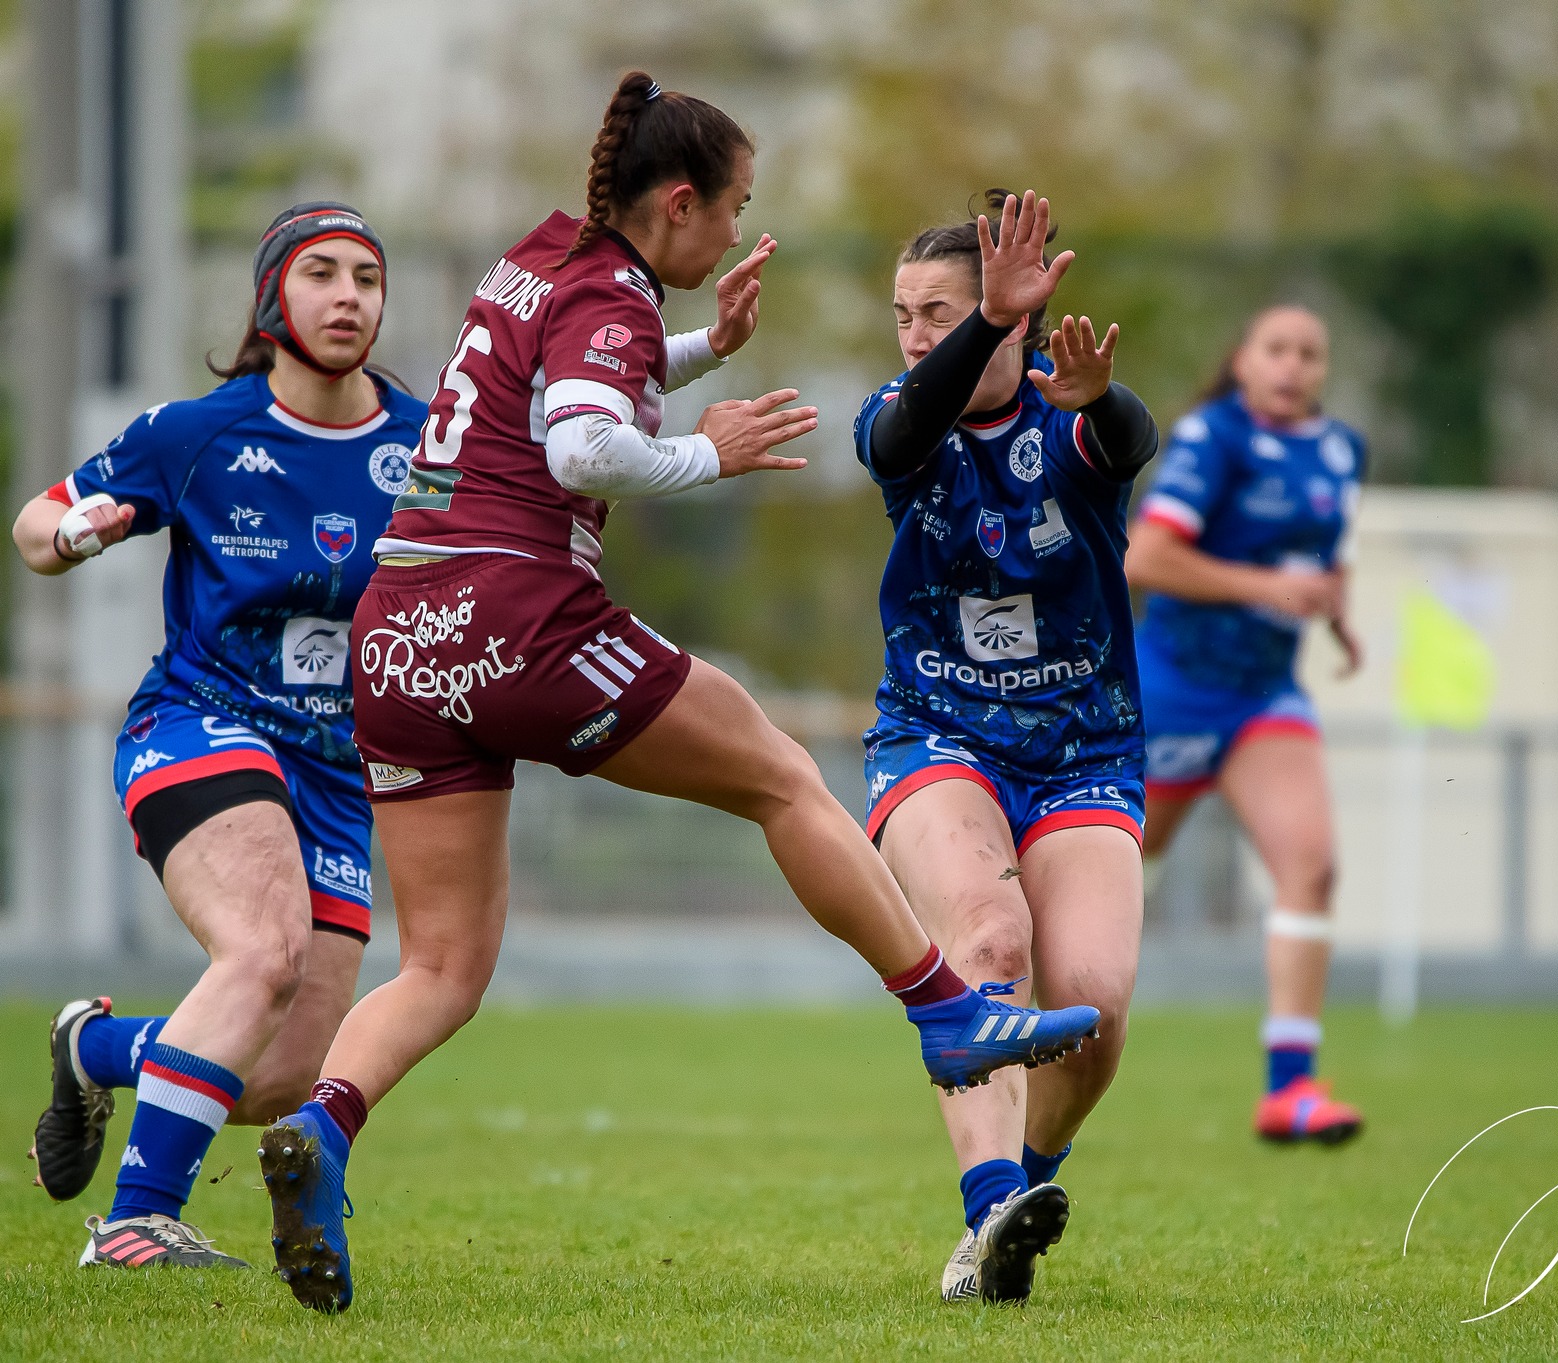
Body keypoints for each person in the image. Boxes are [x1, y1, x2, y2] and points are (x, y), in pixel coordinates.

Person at [255, 76, 1099, 1315]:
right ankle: (946, 1014)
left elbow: (555, 381)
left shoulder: (538, 258)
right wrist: (716, 448)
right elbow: (578, 445)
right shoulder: (609, 289)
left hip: (398, 634)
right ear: (679, 202)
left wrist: (704, 351)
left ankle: (322, 1129)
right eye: (736, 206)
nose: (736, 228)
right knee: (781, 777)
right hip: (516, 612)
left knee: (440, 962)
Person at [15, 203, 428, 1267]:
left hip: (338, 772)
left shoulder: (427, 445)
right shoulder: (195, 435)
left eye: (367, 279)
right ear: (271, 299)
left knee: (288, 1068)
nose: (348, 296)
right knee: (262, 949)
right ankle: (137, 1221)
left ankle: (94, 1047)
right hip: (202, 725)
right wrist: (76, 532)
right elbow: (33, 525)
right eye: (322, 273)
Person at [855, 190, 1160, 1305]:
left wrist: (1104, 395)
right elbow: (901, 432)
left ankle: (1025, 1187)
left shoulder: (1065, 423)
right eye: (907, 311)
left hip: (1083, 750)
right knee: (988, 940)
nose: (917, 333)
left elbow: (1130, 439)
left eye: (940, 310)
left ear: (1025, 312)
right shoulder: (895, 418)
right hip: (937, 734)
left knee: (1093, 1004)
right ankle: (985, 1206)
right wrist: (983, 322)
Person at [1123, 304, 1369, 1146]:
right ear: (1243, 358)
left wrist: (1338, 615)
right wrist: (1265, 590)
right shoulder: (1210, 439)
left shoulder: (1342, 450)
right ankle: (1020, 1033)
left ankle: (1290, 1088)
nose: (1294, 365)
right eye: (1277, 348)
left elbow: (1323, 553)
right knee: (1117, 872)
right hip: (1174, 688)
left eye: (1311, 351)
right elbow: (1145, 557)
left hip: (1266, 694)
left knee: (1313, 865)